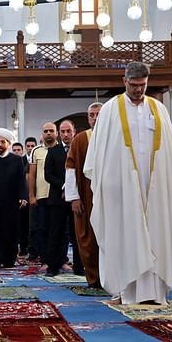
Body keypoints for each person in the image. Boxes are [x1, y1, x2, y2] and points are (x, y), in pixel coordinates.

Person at [84, 62, 172, 305]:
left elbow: (171, 151)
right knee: (124, 234)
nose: (139, 90)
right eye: (134, 85)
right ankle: (126, 290)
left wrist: (171, 182)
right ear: (124, 81)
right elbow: (99, 152)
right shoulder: (110, 110)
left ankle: (155, 291)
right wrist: (107, 183)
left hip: (155, 186)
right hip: (121, 188)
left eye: (143, 85)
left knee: (156, 233)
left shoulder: (158, 109)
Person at [65, 102, 103, 287]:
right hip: (86, 197)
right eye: (92, 115)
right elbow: (70, 169)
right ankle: (94, 278)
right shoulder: (80, 140)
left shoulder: (114, 136)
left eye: (98, 114)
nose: (95, 118)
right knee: (88, 237)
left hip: (110, 197)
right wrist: (74, 197)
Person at [0, 128, 27, 269]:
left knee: (10, 231)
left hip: (11, 202)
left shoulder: (17, 160)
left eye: (2, 142)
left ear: (8, 144)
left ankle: (9, 260)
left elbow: (21, 180)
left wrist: (23, 196)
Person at [44, 121, 80, 277]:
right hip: (57, 198)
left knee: (76, 233)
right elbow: (48, 174)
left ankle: (79, 267)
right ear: (59, 133)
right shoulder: (53, 151)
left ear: (74, 132)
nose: (66, 134)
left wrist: (73, 190)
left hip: (77, 200)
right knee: (55, 232)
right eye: (63, 131)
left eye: (68, 131)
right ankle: (53, 266)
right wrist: (65, 186)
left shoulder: (80, 150)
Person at [29, 123, 57, 270]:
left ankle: (61, 260)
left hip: (58, 196)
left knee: (59, 230)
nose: (48, 134)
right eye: (45, 131)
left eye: (51, 131)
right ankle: (45, 260)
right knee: (43, 229)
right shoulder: (36, 151)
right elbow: (32, 175)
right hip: (41, 196)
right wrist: (31, 195)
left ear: (56, 133)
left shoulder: (61, 150)